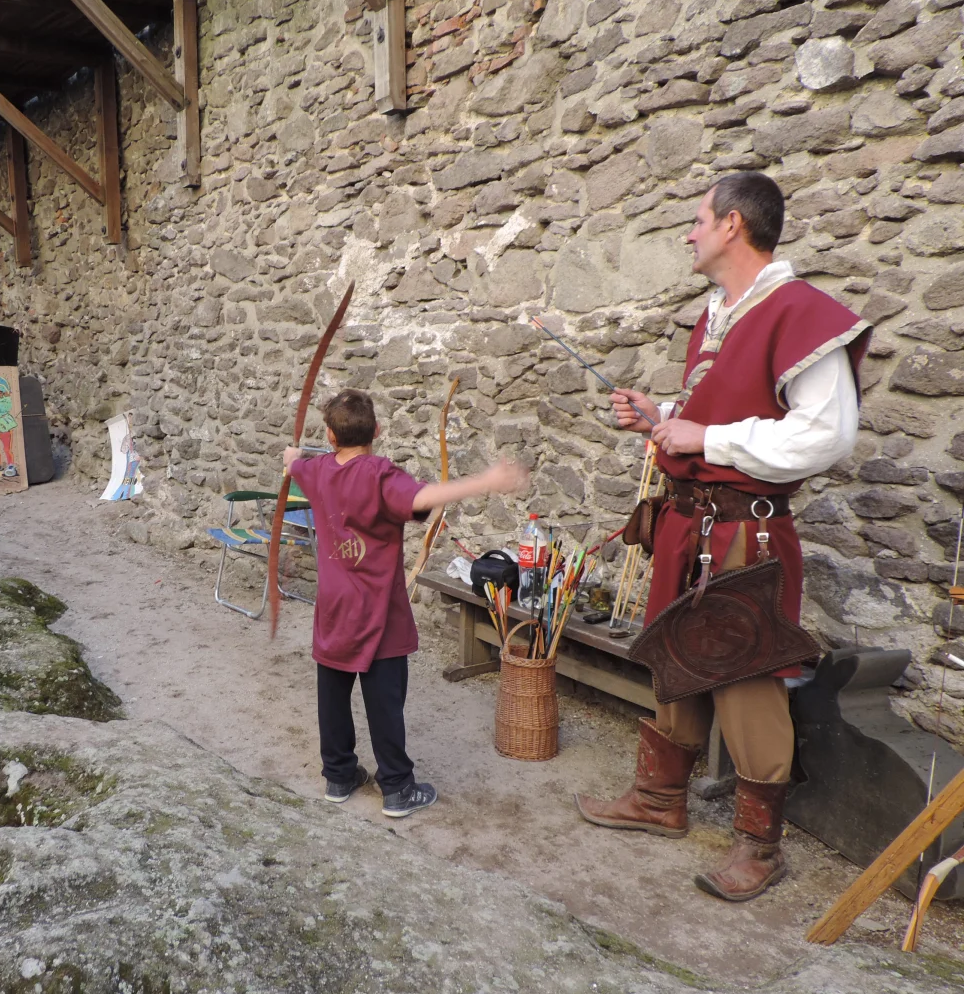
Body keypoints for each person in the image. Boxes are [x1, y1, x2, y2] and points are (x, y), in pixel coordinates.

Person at [575, 171, 871, 901]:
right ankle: (658, 799)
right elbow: (728, 414)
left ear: (733, 224)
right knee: (672, 656)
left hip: (745, 533)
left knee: (745, 677)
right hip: (689, 521)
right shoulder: (719, 315)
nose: (689, 233)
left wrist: (703, 435)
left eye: (699, 220)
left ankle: (760, 847)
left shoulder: (799, 311)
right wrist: (663, 418)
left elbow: (825, 436)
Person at [284, 389, 529, 817]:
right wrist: (487, 481)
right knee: (384, 700)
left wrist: (292, 458)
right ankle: (397, 788)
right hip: (379, 611)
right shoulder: (380, 474)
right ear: (377, 430)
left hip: (335, 609)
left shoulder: (317, 470)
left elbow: (295, 465)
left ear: (330, 436)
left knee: (332, 694)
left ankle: (339, 776)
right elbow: (420, 499)